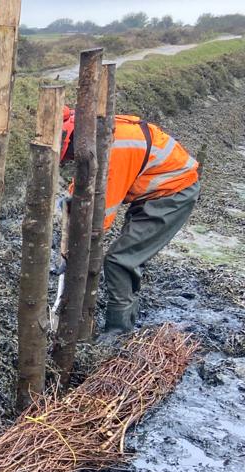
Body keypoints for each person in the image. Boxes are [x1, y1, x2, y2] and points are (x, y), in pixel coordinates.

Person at [60, 107, 200, 331]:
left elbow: (100, 216)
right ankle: (128, 314)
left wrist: (74, 252)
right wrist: (71, 196)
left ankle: (119, 330)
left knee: (120, 260)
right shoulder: (97, 134)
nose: (68, 161)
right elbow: (87, 175)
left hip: (173, 194)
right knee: (127, 256)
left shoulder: (114, 151)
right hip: (154, 192)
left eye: (68, 155)